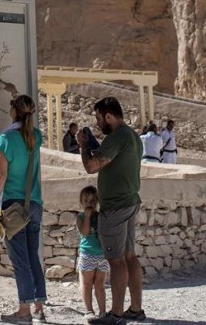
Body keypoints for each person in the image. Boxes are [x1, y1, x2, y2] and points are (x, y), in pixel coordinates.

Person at [75, 96, 145, 325]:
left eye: (98, 118)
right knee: (129, 256)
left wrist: (84, 146)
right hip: (130, 202)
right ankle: (135, 309)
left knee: (116, 261)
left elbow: (91, 166)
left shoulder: (117, 137)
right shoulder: (133, 136)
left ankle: (115, 315)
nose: (97, 123)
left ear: (109, 116)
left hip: (115, 207)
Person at [0, 94, 47, 324]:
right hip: (34, 203)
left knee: (20, 259)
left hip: (13, 206)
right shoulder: (36, 136)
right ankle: (39, 306)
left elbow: (1, 175)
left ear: (14, 110)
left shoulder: (6, 139)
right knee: (33, 256)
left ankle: (24, 311)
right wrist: (16, 96)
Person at [76, 186, 109, 322]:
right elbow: (84, 232)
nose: (90, 204)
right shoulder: (80, 217)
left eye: (93, 201)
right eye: (86, 201)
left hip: (102, 255)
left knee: (100, 284)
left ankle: (103, 311)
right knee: (87, 284)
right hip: (88, 254)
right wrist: (88, 217)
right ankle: (89, 310)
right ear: (81, 203)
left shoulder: (101, 216)